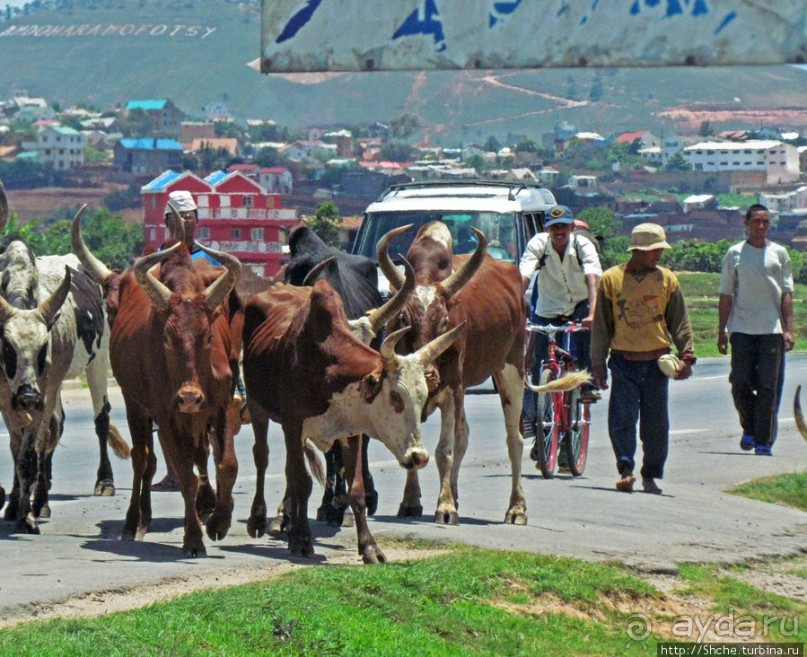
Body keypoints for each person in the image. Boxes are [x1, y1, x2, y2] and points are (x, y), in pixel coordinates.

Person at [591, 223, 696, 495]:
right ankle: (626, 470)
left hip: (657, 364)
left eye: (660, 249)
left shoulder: (668, 280)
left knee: (656, 425)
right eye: (653, 250)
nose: (658, 255)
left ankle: (650, 475)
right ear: (637, 251)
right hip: (623, 361)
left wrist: (687, 355)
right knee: (622, 420)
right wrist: (598, 364)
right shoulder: (611, 280)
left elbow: (680, 323)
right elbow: (602, 326)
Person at [153, 190, 247, 491]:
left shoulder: (208, 260)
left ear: (198, 220)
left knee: (223, 395)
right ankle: (175, 472)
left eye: (189, 217)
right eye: (177, 218)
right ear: (166, 220)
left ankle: (238, 388)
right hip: (174, 346)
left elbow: (230, 302)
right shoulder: (155, 261)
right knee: (163, 408)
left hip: (209, 344)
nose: (184, 223)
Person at [717, 204, 794, 456]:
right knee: (740, 383)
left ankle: (763, 440)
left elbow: (786, 294)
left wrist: (788, 329)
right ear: (746, 223)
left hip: (771, 329)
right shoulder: (734, 254)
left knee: (768, 388)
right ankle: (748, 427)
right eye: (756, 222)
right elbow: (726, 295)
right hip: (741, 329)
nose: (761, 227)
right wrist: (722, 331)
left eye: (765, 222)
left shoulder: (779, 254)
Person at [519, 205, 602, 404]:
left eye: (563, 226)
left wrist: (592, 313)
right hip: (549, 305)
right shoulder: (538, 243)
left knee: (584, 345)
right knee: (539, 356)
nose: (559, 232)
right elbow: (524, 274)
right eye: (554, 227)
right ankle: (539, 404)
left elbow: (593, 276)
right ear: (546, 228)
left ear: (572, 227)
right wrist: (512, 307)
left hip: (580, 304)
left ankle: (587, 387)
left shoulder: (582, 245)